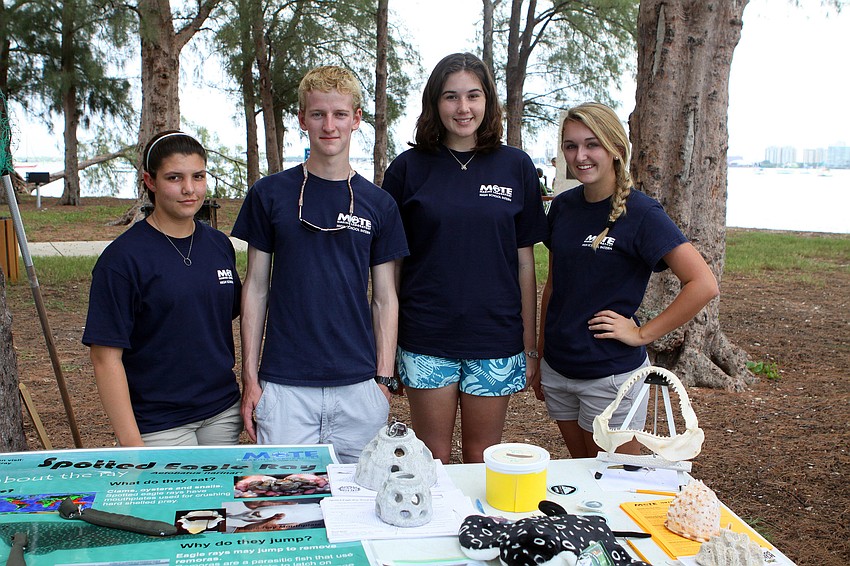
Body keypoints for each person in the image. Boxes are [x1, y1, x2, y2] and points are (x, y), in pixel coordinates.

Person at [231, 66, 409, 464]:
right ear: (302, 120)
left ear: (356, 119)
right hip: (284, 385)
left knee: (361, 506)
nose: (329, 126)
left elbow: (385, 299)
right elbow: (256, 288)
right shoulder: (269, 194)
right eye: (318, 114)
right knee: (285, 502)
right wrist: (252, 377)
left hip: (358, 386)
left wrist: (382, 379)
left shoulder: (378, 204)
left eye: (340, 114)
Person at [381, 53, 548, 464]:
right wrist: (389, 348)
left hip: (495, 337)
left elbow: (525, 263)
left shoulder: (516, 166)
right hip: (426, 337)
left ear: (488, 101)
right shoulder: (407, 169)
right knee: (433, 458)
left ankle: (477, 529)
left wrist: (529, 346)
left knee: (482, 456)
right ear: (434, 103)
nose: (463, 108)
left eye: (473, 96)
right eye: (451, 97)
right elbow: (391, 269)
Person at [532, 102, 719, 458]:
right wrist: (542, 358)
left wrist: (641, 334)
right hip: (559, 370)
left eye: (592, 144)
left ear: (617, 149)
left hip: (611, 376)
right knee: (582, 472)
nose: (580, 156)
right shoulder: (564, 206)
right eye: (571, 146)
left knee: (615, 482)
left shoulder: (643, 214)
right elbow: (554, 286)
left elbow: (703, 283)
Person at [83, 131, 243, 446]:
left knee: (223, 497)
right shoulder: (122, 260)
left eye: (198, 176)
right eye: (174, 177)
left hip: (222, 412)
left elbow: (223, 315)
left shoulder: (219, 245)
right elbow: (105, 359)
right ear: (150, 181)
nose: (189, 189)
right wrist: (133, 447)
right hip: (159, 424)